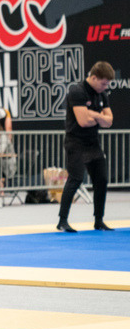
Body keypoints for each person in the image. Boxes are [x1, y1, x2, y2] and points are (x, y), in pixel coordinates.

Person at [57, 61, 114, 233]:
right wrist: (100, 117)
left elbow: (109, 122)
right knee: (75, 179)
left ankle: (99, 220)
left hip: (93, 142)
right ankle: (62, 220)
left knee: (101, 180)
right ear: (94, 78)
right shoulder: (77, 91)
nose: (105, 87)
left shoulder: (102, 94)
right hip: (75, 142)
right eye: (103, 83)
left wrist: (93, 115)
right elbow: (83, 121)